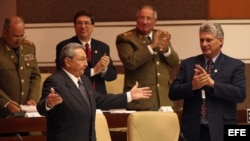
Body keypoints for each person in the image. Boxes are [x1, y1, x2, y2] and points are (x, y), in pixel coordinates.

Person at [37, 42, 152, 141]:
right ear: (68, 62)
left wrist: (129, 96)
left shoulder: (84, 80)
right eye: (82, 59)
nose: (86, 64)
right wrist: (48, 103)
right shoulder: (55, 81)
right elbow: (42, 108)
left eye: (86, 59)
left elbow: (99, 100)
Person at [169, 22, 246, 141]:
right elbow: (173, 93)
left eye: (208, 40)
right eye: (201, 40)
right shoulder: (188, 64)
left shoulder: (235, 65)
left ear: (220, 41)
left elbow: (240, 94)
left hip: (222, 128)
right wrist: (193, 86)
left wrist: (213, 84)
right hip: (193, 130)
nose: (204, 44)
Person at [116, 5, 179, 111]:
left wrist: (166, 50)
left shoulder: (161, 35)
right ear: (136, 19)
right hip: (141, 101)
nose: (145, 22)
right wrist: (151, 47)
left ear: (155, 21)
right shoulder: (125, 38)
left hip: (164, 99)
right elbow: (130, 63)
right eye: (142, 17)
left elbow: (174, 62)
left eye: (149, 18)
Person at [55, 10, 117, 95]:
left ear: (93, 26)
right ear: (74, 26)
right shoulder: (64, 46)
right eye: (79, 23)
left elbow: (112, 76)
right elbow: (62, 73)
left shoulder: (103, 47)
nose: (83, 26)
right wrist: (94, 71)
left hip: (100, 98)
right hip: (76, 96)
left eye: (86, 23)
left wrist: (104, 69)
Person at [0, 16, 41, 118]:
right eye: (15, 36)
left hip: (25, 112)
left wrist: (33, 98)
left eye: (22, 36)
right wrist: (6, 102)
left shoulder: (29, 48)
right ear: (4, 33)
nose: (19, 40)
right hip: (3, 112)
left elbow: (35, 76)